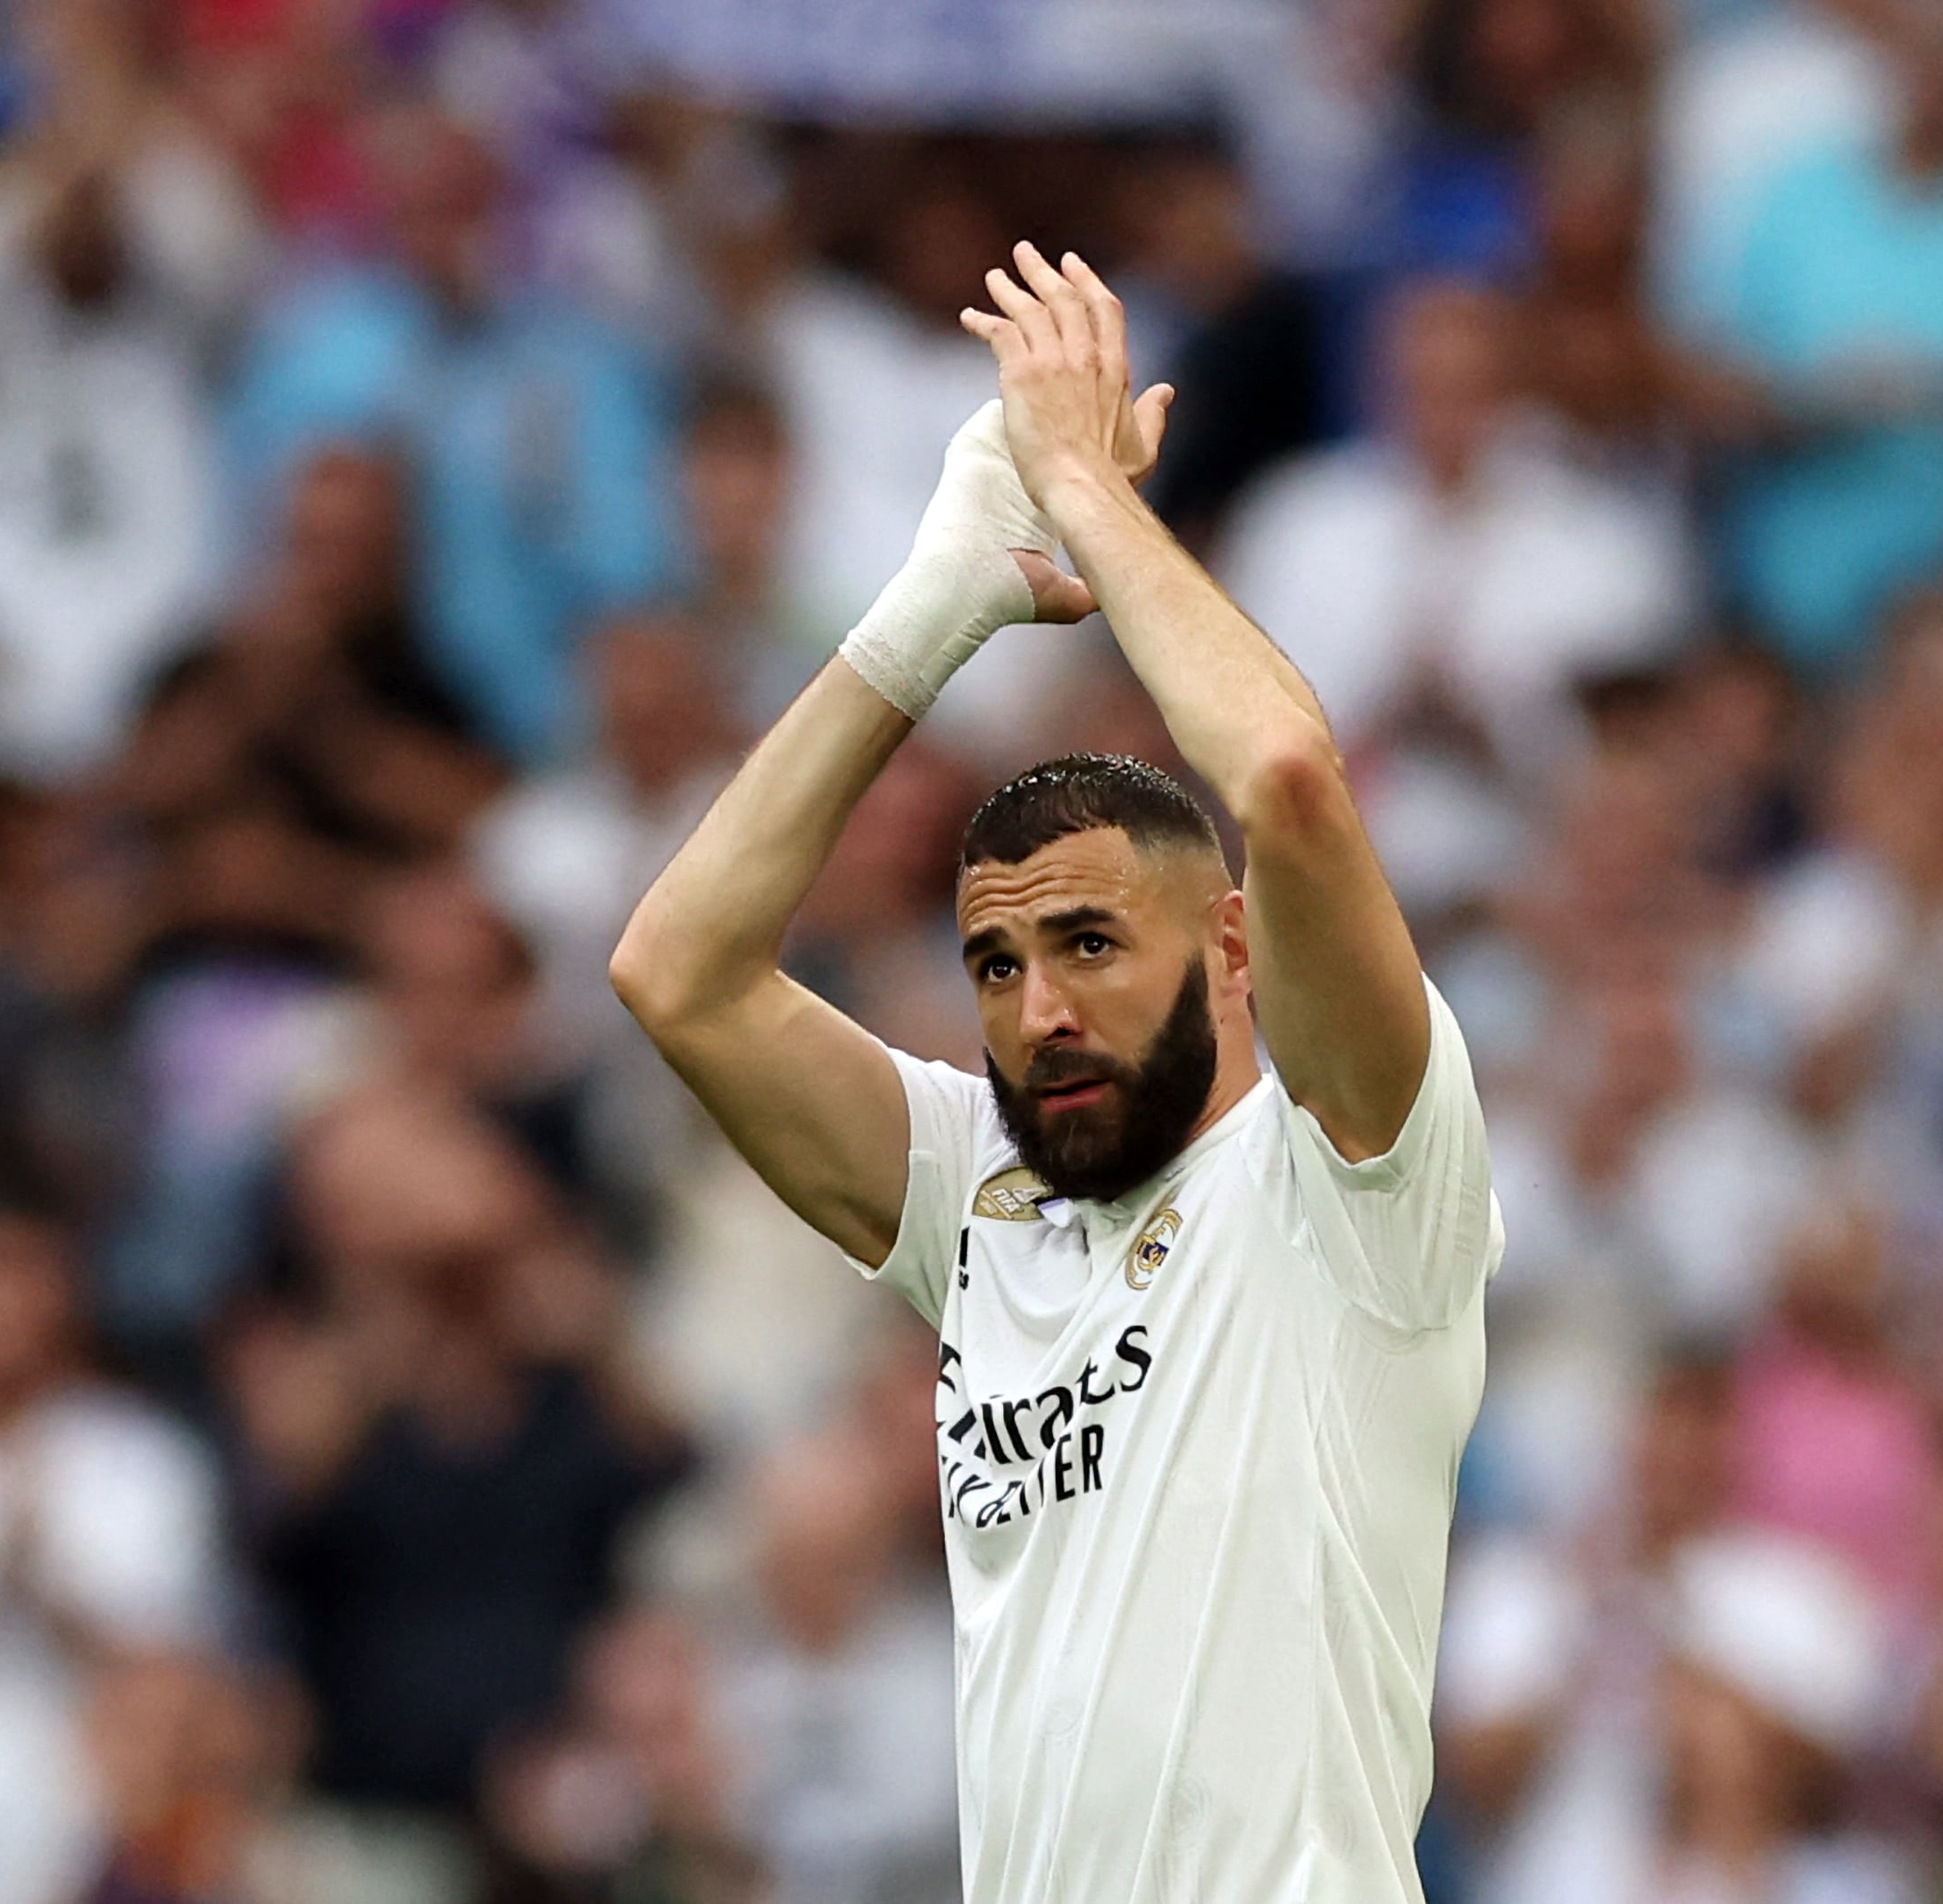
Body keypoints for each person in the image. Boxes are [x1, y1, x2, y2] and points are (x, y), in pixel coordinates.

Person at [610, 241, 1504, 1900]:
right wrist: (943, 593)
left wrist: (1086, 493)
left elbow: (1291, 774)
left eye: (1091, 942)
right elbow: (679, 973)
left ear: (1234, 948)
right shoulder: (985, 1201)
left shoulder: (1357, 1181)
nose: (1037, 1008)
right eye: (998, 964)